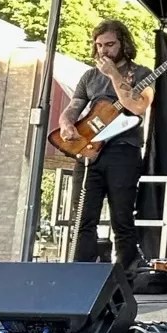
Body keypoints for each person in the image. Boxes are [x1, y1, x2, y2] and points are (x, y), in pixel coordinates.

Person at [59, 19, 154, 272]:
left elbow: (137, 106)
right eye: (99, 45)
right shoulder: (89, 76)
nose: (104, 51)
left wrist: (114, 74)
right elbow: (73, 107)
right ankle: (80, 272)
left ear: (123, 43)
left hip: (123, 150)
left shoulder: (141, 73)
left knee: (121, 217)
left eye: (110, 44)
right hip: (89, 153)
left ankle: (127, 274)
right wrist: (67, 124)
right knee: (82, 217)